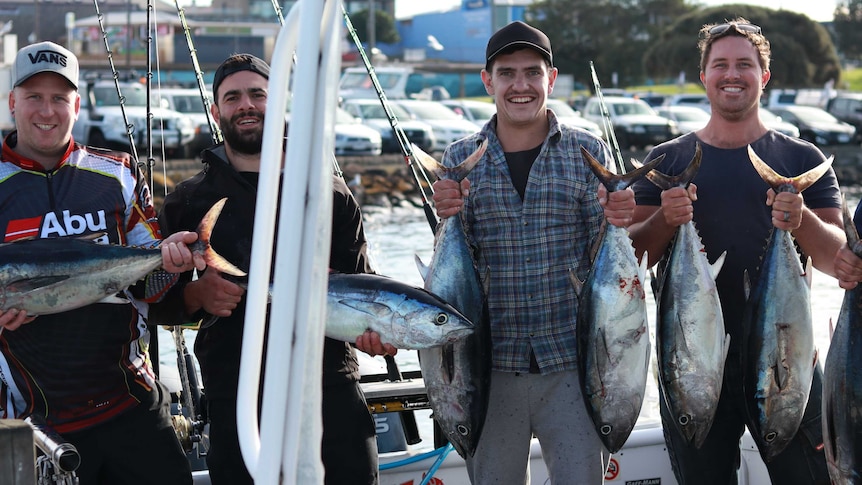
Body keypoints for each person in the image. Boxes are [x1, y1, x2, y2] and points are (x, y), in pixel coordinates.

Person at [149, 53, 394, 485]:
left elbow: (364, 288)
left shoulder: (330, 193)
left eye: (258, 94)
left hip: (328, 392)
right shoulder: (188, 201)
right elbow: (153, 304)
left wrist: (381, 334)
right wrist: (194, 295)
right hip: (236, 394)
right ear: (215, 111)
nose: (246, 104)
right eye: (232, 97)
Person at [628, 19, 841, 484]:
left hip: (787, 357)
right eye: (719, 64)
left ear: (764, 76)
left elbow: (837, 260)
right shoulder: (665, 162)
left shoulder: (803, 160)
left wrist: (799, 219)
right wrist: (666, 218)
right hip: (689, 360)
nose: (732, 74)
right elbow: (630, 259)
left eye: (745, 64)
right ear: (702, 75)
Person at [431, 21, 636, 484]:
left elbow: (609, 258)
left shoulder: (588, 151)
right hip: (489, 368)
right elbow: (453, 276)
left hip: (574, 364)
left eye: (531, 72)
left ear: (551, 78)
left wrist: (622, 214)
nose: (520, 85)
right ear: (488, 80)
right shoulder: (461, 155)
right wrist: (447, 213)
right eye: (507, 73)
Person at [0, 41, 203, 484]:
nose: (47, 111)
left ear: (76, 104)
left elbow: (154, 291)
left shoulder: (118, 173)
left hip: (134, 404)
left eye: (59, 98)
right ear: (12, 101)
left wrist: (171, 262)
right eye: (34, 96)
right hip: (36, 424)